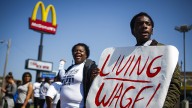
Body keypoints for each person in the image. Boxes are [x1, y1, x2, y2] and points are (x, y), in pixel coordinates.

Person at [130, 12, 181, 108]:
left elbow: (174, 85)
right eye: (139, 24)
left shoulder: (166, 52)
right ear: (132, 31)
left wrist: (163, 106)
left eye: (148, 24)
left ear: (152, 30)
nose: (144, 26)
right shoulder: (126, 57)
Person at [59, 43, 99, 108]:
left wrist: (94, 77)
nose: (78, 52)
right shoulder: (70, 68)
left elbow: (93, 83)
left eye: (81, 51)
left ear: (86, 55)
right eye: (75, 51)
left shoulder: (89, 67)